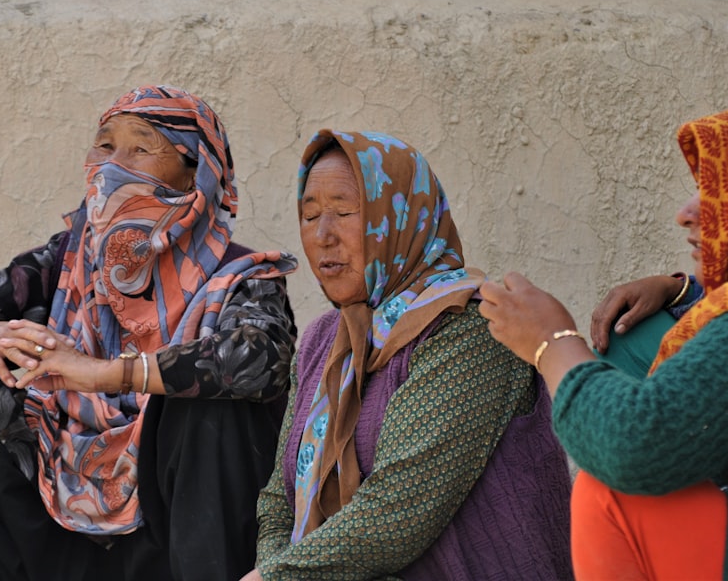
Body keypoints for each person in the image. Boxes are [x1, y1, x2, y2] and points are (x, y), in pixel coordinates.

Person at [0, 84, 299, 581]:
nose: (113, 164)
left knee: (207, 397)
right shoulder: (66, 261)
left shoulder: (239, 275)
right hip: (58, 512)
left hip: (176, 528)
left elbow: (261, 361)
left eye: (141, 146)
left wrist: (103, 373)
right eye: (105, 145)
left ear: (196, 170)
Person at [480, 96, 728, 579]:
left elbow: (632, 445)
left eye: (720, 189)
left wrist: (551, 341)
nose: (686, 213)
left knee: (613, 491)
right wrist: (686, 288)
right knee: (628, 347)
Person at [243, 130, 573, 581]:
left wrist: (273, 578)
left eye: (344, 211)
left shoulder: (469, 328)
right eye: (309, 215)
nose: (323, 235)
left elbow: (398, 509)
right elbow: (278, 498)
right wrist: (273, 567)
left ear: (400, 217)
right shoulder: (326, 339)